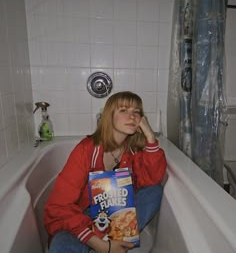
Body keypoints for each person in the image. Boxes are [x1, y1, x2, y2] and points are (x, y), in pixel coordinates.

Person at [44, 91, 167, 253]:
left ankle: (116, 242)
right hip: (81, 216)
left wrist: (150, 137)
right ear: (109, 117)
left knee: (154, 191)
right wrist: (99, 244)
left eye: (136, 112)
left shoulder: (132, 150)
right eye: (123, 110)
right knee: (62, 248)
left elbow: (151, 179)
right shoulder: (85, 150)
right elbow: (58, 207)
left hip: (118, 213)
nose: (131, 116)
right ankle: (106, 243)